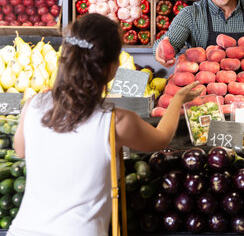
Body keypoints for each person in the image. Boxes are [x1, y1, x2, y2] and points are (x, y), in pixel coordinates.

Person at [8, 13, 202, 236]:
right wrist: (177, 100)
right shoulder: (116, 121)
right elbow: (161, 137)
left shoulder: (33, 105)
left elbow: (20, 149)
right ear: (112, 67)